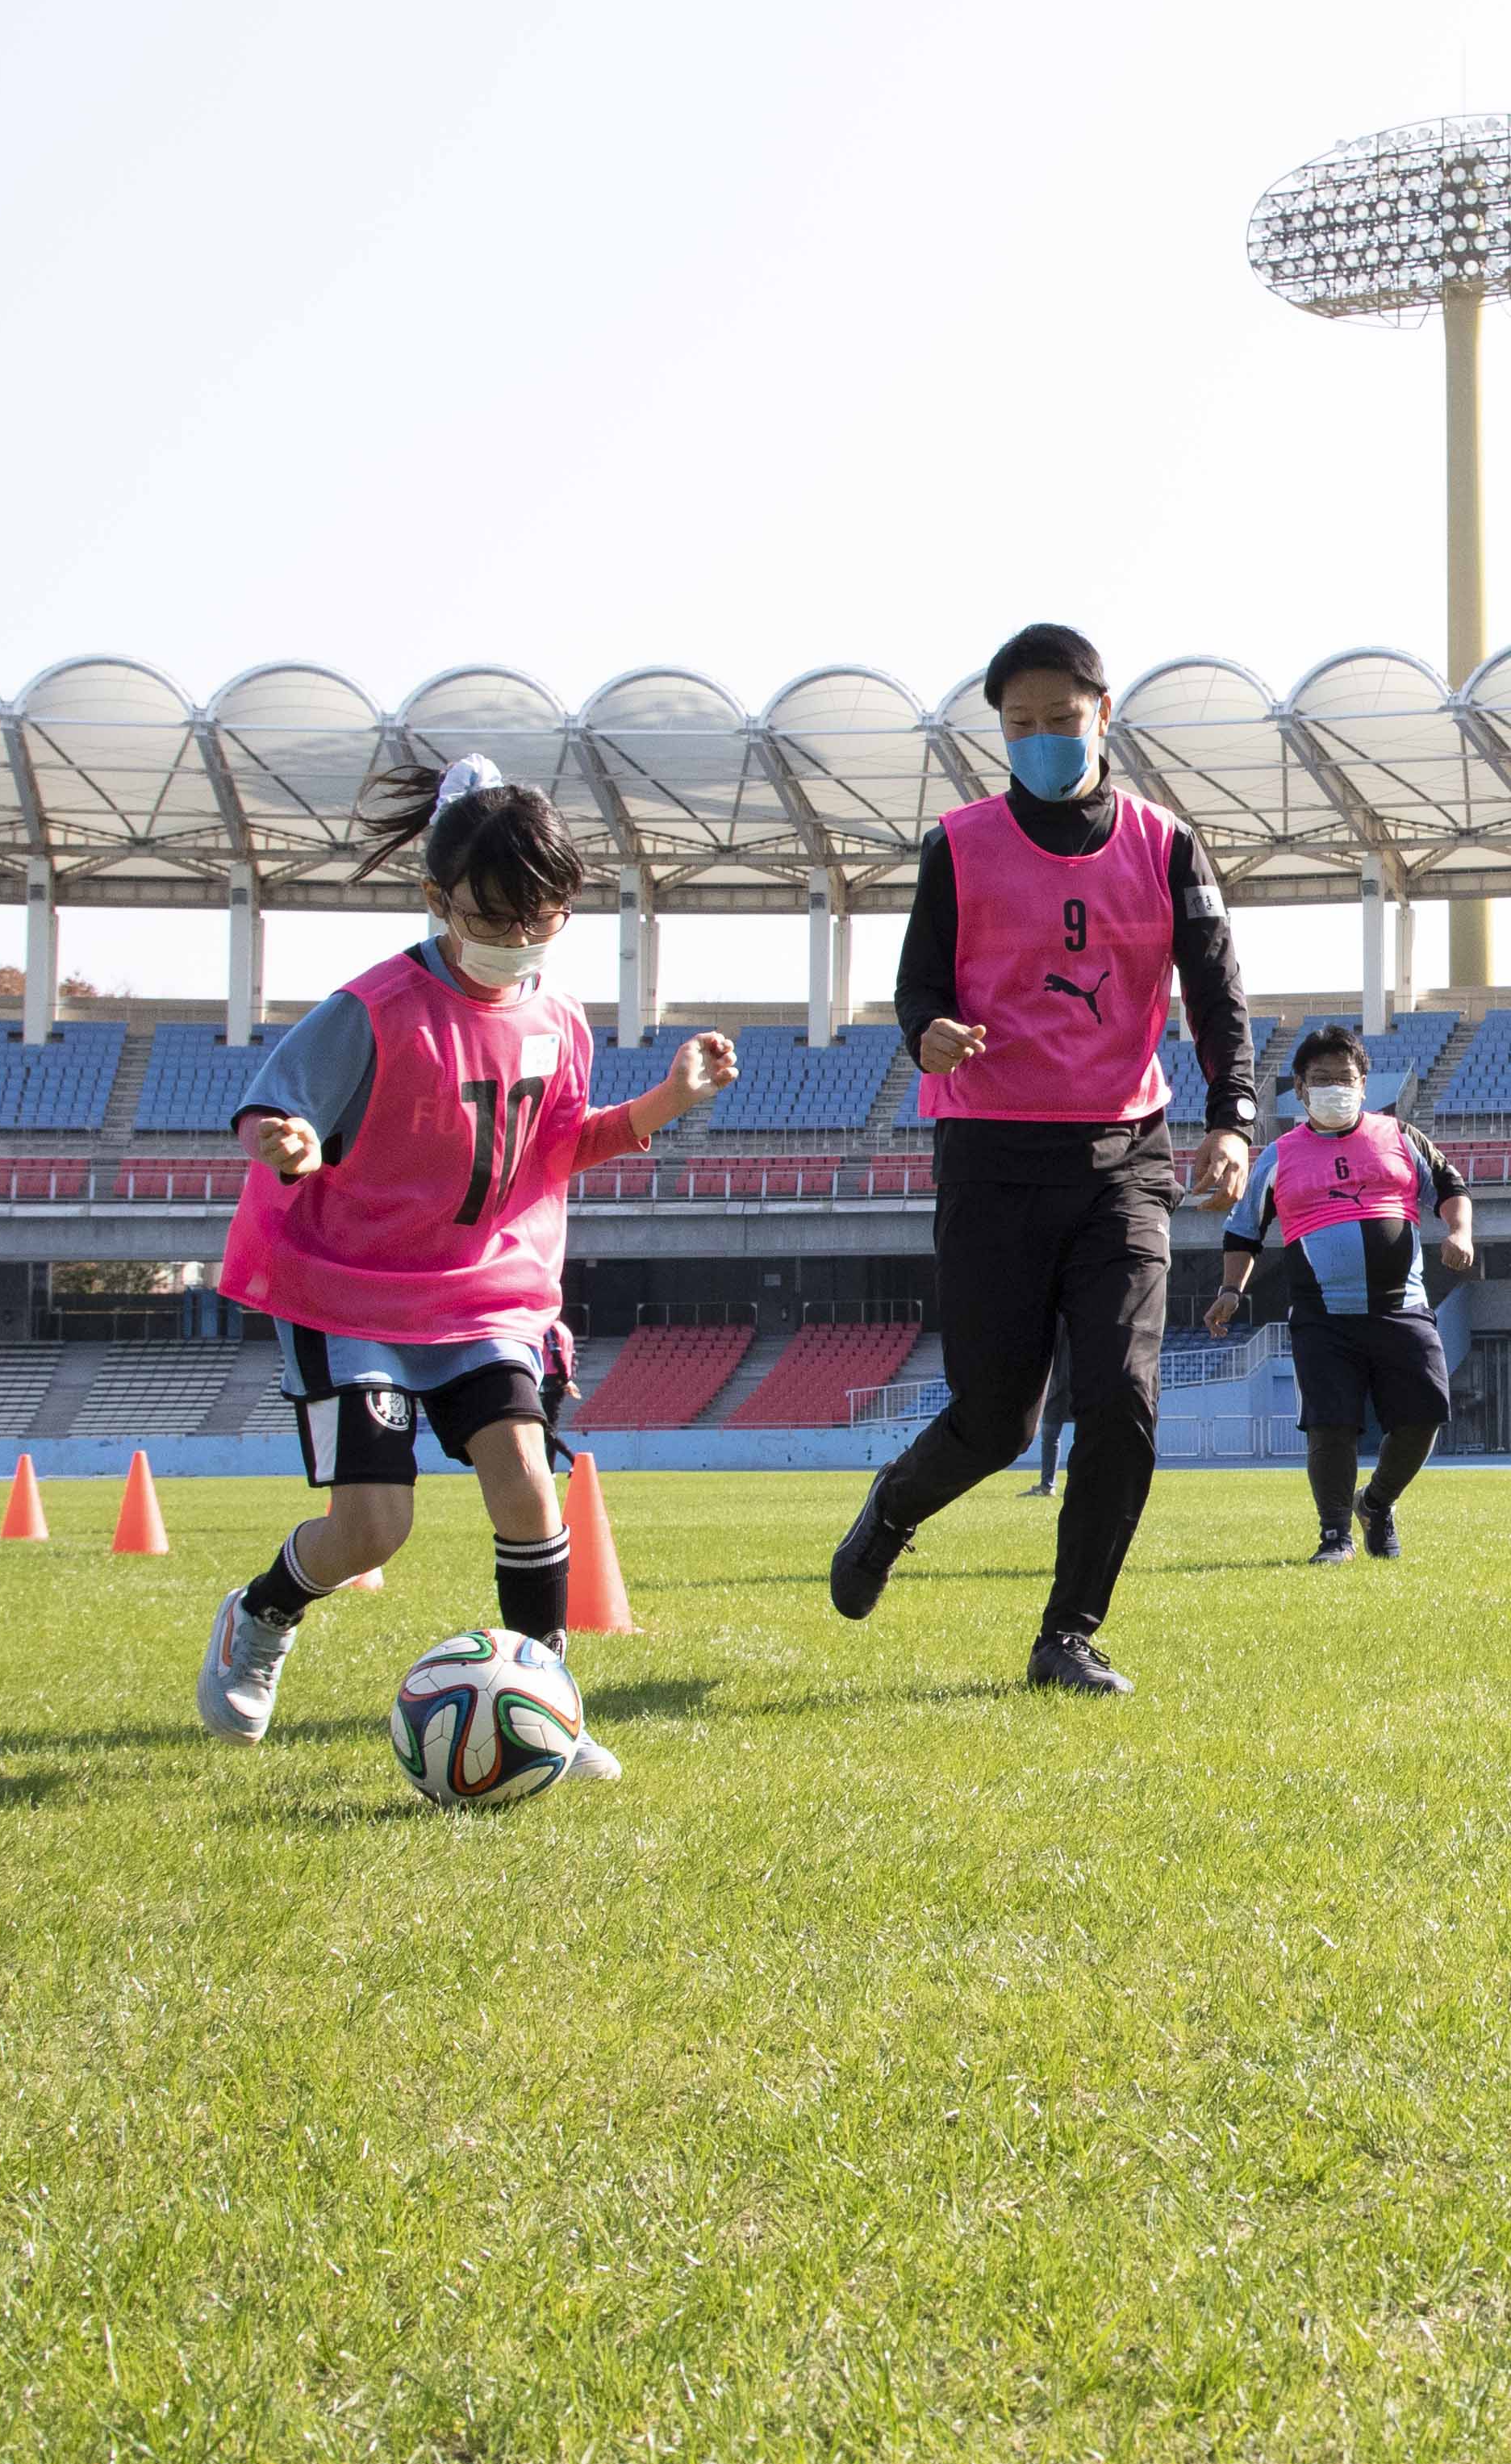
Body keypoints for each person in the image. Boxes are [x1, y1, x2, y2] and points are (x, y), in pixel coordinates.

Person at [194, 754, 737, 1757]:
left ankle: (547, 1707)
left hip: (488, 1300)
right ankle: (261, 1613)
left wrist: (670, 1098)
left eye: (544, 917)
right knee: (371, 1529)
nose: (519, 939)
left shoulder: (560, 1021)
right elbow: (276, 1104)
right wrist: (291, 1139)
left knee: (527, 1480)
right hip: (349, 1298)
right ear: (436, 899)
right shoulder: (373, 1007)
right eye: (492, 917)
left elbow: (560, 1148)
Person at [826, 623, 1260, 1692]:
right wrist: (925, 1031)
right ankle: (894, 1506)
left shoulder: (1166, 846)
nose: (1040, 741)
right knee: (997, 1419)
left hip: (1123, 1156)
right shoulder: (960, 845)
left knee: (1120, 1394)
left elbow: (1215, 992)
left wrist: (1236, 1118)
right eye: (1019, 726)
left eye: (1059, 722)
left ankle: (1067, 1633)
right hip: (988, 1158)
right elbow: (917, 986)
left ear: (1102, 717)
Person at [1204, 1024, 1474, 1562]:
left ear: (1364, 1084)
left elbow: (1450, 1186)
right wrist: (1231, 1290)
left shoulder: (1401, 1137)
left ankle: (1374, 1502)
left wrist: (1459, 1231)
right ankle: (1335, 1535)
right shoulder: (1278, 1155)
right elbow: (1243, 1231)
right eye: (1320, 1078)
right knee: (1331, 1425)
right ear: (1299, 1090)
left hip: (1404, 1308)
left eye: (1343, 1078)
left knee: (1423, 1415)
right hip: (1323, 1317)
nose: (1333, 1087)